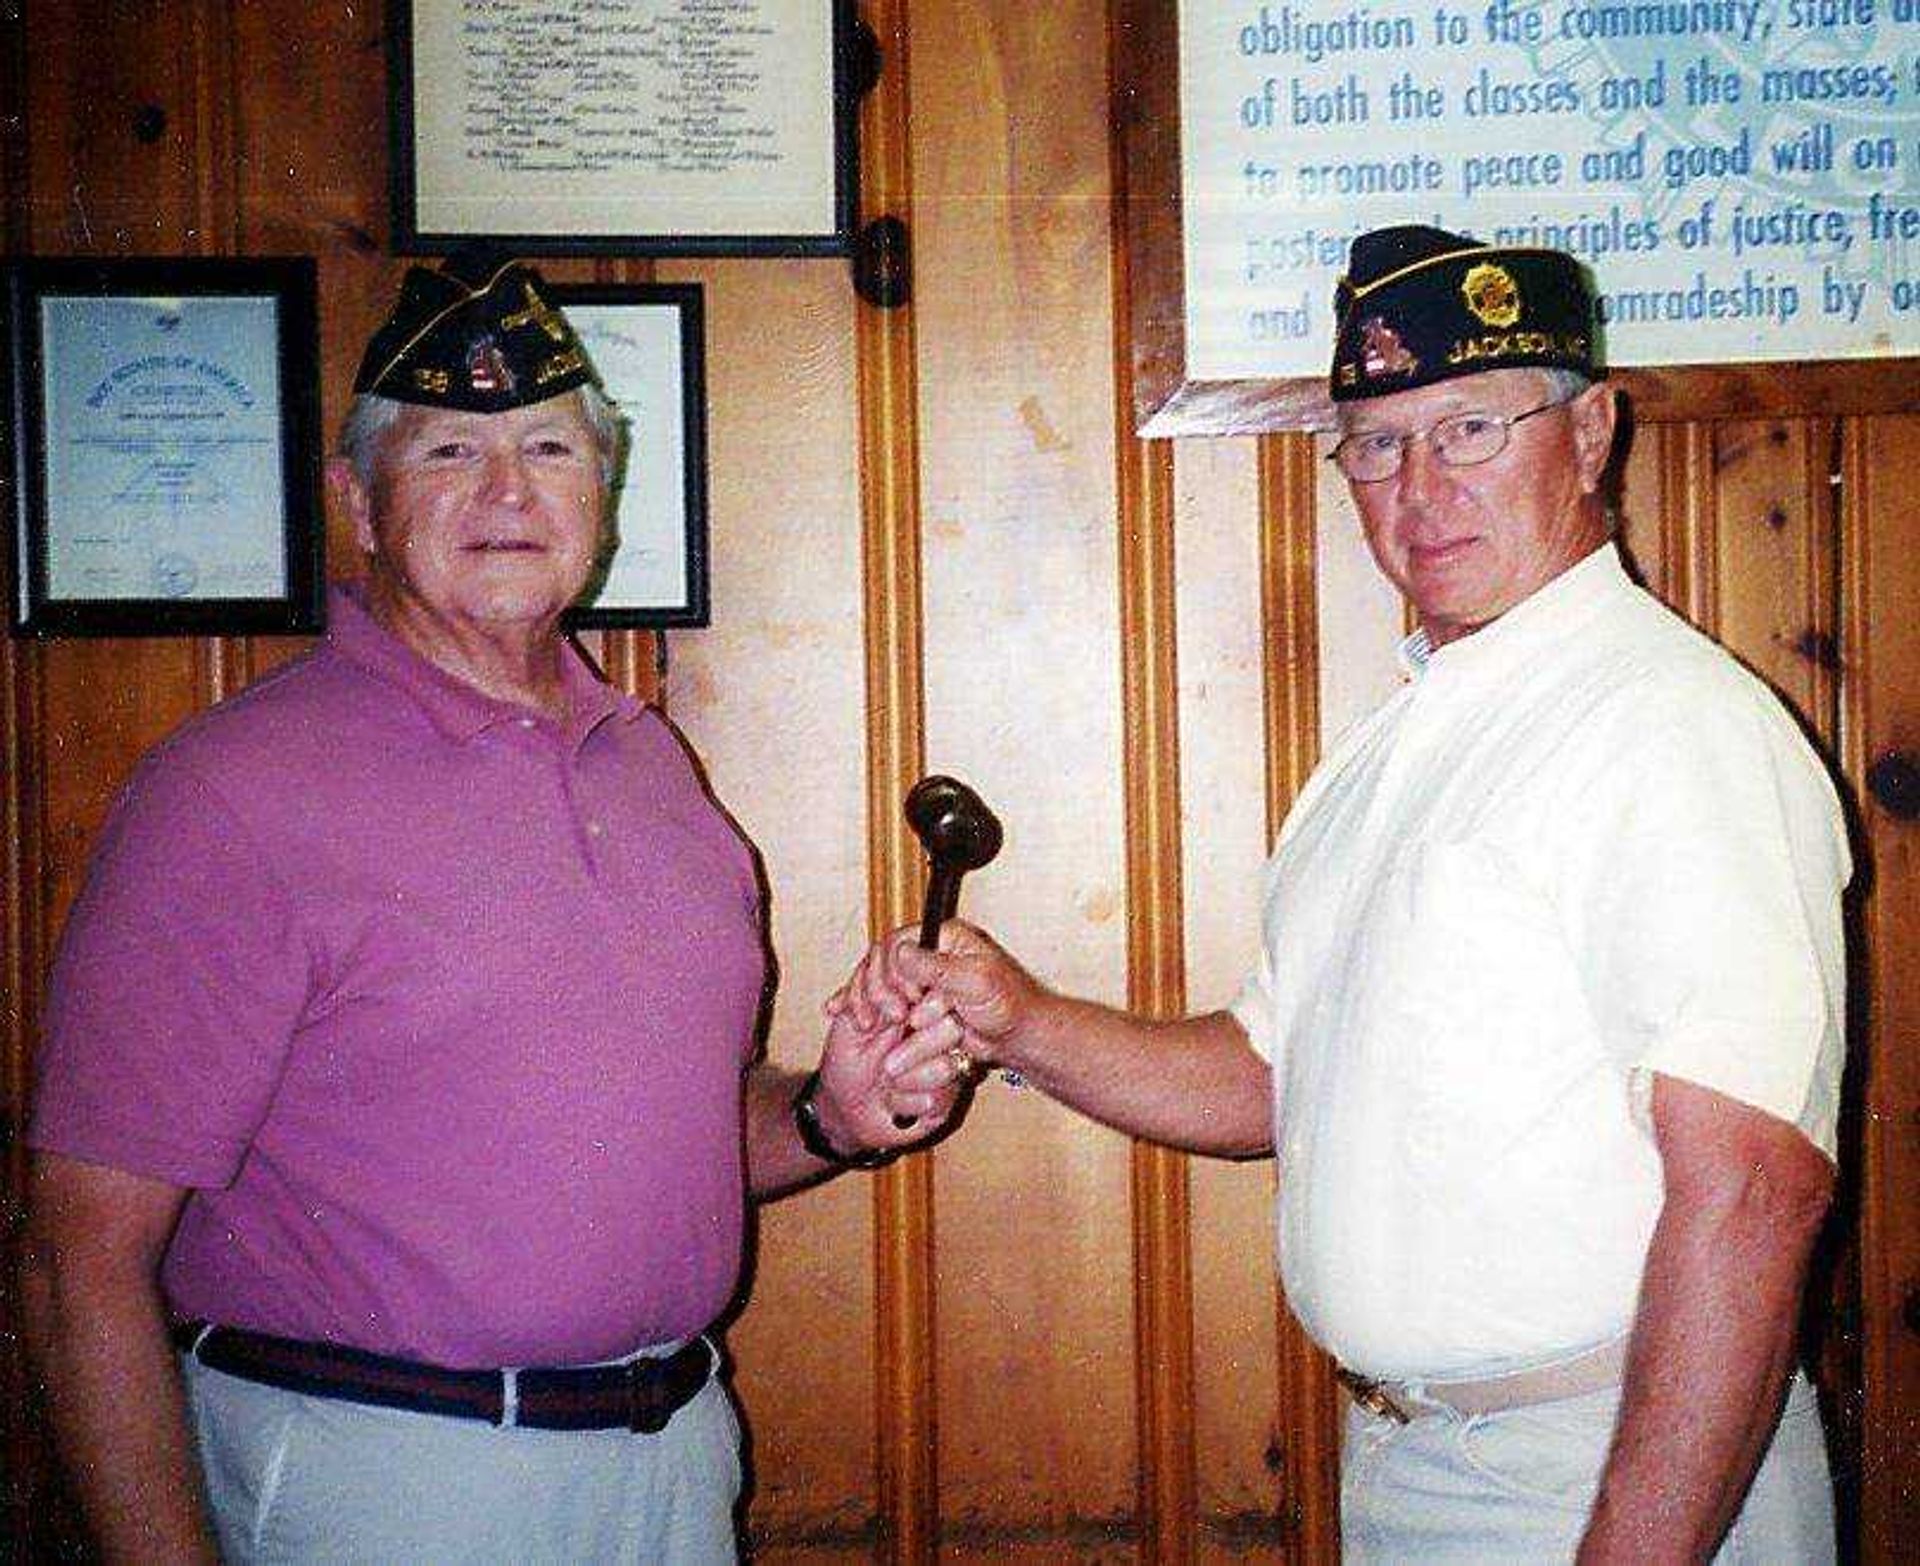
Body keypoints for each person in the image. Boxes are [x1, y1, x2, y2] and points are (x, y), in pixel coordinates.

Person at [844, 225, 1848, 1562]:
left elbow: (1751, 1193)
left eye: (1472, 427)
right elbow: (1272, 1073)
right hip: (1413, 1466)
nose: (1420, 486)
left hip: (1606, 1473)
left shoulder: (1671, 726)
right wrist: (1018, 1018)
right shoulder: (1398, 744)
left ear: (1594, 431)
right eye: (1375, 442)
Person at [20, 251, 964, 1565]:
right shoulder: (231, 793)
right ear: (357, 500)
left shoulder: (654, 774)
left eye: (548, 446)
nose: (510, 488)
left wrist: (826, 1113)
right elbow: (80, 1262)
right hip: (379, 1479)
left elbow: (675, 1137)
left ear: (605, 492)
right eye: (451, 450)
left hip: (675, 1461)